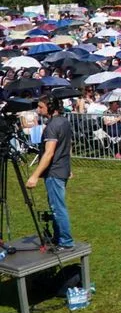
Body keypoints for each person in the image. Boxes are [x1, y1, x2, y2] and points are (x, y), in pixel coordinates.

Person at [26, 94, 75, 251]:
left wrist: (34, 176)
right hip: (62, 169)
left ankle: (66, 242)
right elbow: (67, 147)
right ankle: (58, 237)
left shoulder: (52, 126)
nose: (38, 109)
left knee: (57, 207)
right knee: (56, 205)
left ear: (50, 107)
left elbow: (49, 153)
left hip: (54, 172)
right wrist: (69, 168)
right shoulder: (64, 121)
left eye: (41, 106)